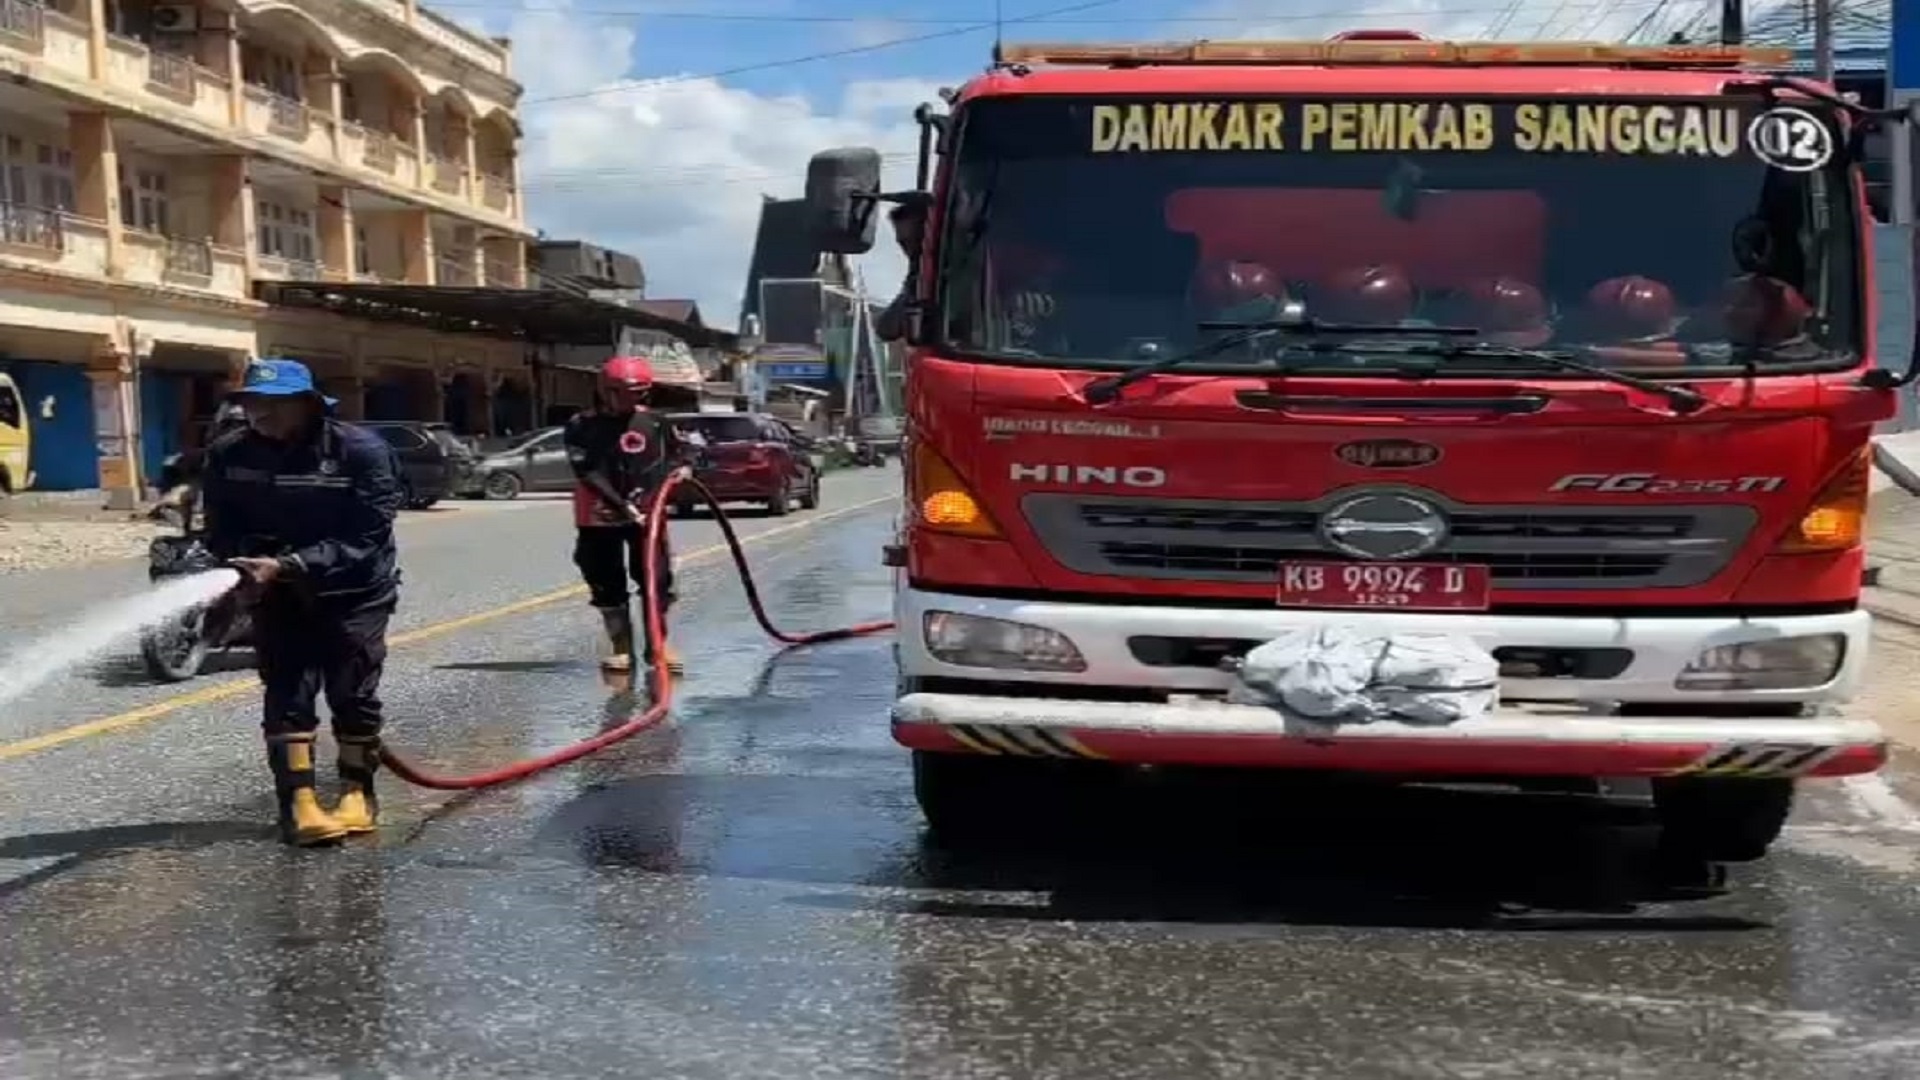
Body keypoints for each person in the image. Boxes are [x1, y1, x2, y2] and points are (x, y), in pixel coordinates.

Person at [200, 358, 403, 847]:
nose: (260, 413)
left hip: (353, 592)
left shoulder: (361, 453)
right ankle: (299, 806)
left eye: (274, 403)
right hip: (277, 593)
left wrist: (291, 565)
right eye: (252, 403)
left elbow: (367, 536)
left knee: (352, 693)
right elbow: (220, 525)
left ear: (307, 404)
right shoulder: (230, 453)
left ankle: (357, 793)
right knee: (288, 693)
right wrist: (238, 564)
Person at [564, 355, 696, 677]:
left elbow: (681, 452)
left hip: (648, 516)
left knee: (656, 578)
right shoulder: (582, 425)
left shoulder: (654, 423)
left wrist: (684, 468)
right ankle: (621, 647)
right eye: (625, 393)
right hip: (598, 515)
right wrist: (622, 506)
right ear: (605, 391)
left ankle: (658, 645)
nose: (632, 400)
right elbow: (587, 471)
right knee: (605, 578)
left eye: (639, 393)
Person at [147, 403, 249, 526]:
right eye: (232, 424)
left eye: (239, 424)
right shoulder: (218, 444)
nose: (235, 429)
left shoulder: (252, 442)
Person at [875, 203, 925, 343]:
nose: (909, 250)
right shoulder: (916, 276)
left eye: (917, 240)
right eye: (903, 243)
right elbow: (886, 328)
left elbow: (888, 328)